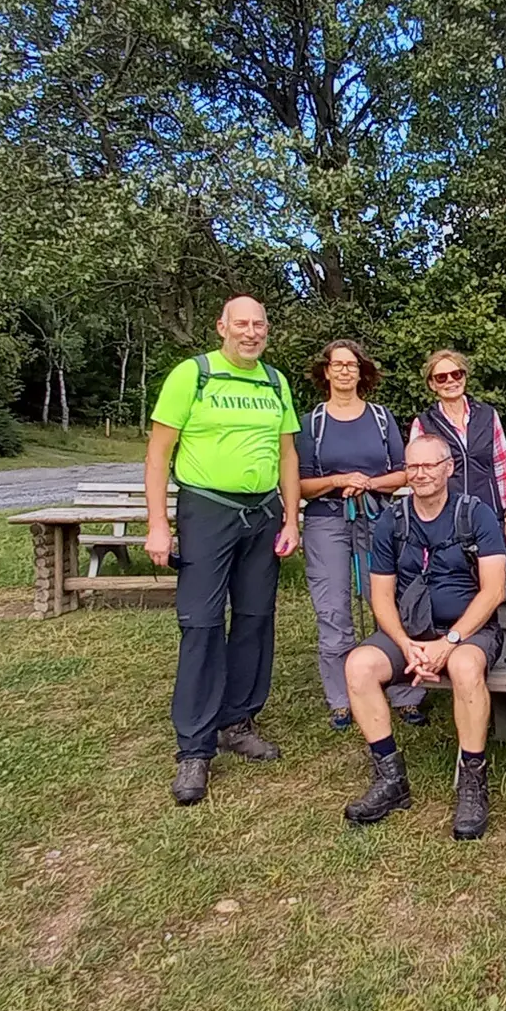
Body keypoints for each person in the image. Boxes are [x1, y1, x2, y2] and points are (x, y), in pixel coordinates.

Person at [144, 295, 301, 806]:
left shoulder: (274, 383)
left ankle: (239, 720)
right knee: (202, 623)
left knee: (256, 618)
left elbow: (287, 454)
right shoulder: (193, 376)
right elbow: (158, 454)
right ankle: (194, 747)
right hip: (207, 509)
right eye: (241, 324)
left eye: (259, 325)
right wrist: (158, 525)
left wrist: (292, 518)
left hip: (263, 514)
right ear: (222, 328)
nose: (250, 333)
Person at [340, 433, 506, 837]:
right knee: (359, 665)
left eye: (429, 465)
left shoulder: (476, 514)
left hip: (469, 633)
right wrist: (406, 646)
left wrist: (448, 643)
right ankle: (390, 779)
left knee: (466, 667)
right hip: (411, 633)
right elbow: (380, 596)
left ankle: (472, 782)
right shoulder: (392, 520)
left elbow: (493, 591)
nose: (420, 474)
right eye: (412, 467)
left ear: (449, 468)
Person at [295, 339, 424, 731]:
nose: (345, 371)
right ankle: (341, 697)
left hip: (378, 519)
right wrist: (337, 480)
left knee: (388, 601)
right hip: (326, 521)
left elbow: (404, 472)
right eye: (338, 365)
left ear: (361, 371)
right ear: (327, 372)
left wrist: (369, 483)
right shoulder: (311, 423)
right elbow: (298, 484)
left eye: (352, 365)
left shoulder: (381, 419)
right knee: (332, 607)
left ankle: (405, 691)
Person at [410, 349, 506, 551]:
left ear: (464, 377)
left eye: (456, 374)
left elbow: (501, 468)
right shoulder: (424, 423)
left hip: (488, 516)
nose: (450, 381)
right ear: (432, 384)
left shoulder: (488, 415)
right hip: (442, 520)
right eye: (441, 377)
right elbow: (418, 476)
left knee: (491, 580)